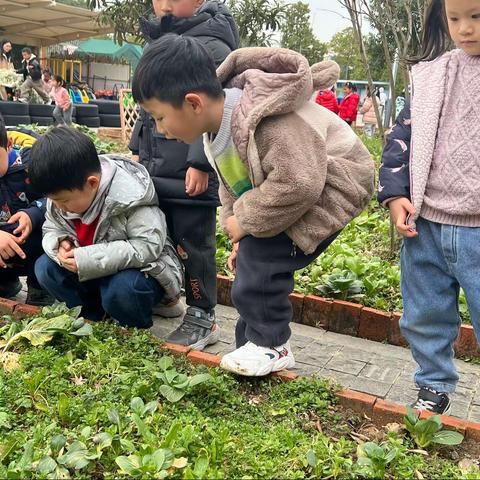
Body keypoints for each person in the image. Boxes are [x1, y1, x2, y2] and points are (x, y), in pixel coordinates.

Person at [132, 35, 375, 376]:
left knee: (263, 258)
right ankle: (252, 344)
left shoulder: (264, 120)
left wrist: (246, 221)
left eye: (159, 118)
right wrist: (239, 234)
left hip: (337, 180)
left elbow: (300, 182)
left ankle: (271, 345)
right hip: (295, 186)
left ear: (193, 103)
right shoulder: (216, 131)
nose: (160, 129)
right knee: (252, 258)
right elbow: (236, 187)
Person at [379, 0, 480, 415]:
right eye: (453, 18)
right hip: (429, 223)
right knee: (424, 314)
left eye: (476, 15)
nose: (464, 28)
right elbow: (401, 138)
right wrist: (395, 193)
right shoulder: (435, 74)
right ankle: (433, 384)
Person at [129, 0, 239, 350]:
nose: (161, 4)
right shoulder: (163, 41)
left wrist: (200, 162)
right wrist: (137, 145)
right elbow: (148, 106)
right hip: (156, 165)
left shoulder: (212, 43)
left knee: (193, 246)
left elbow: (217, 107)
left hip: (190, 171)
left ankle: (202, 313)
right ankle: (169, 297)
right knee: (161, 238)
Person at [29, 128, 183, 329]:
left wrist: (86, 258)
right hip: (92, 271)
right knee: (45, 268)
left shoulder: (131, 197)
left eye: (63, 201)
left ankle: (133, 328)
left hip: (141, 273)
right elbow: (52, 226)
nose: (58, 207)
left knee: (123, 289)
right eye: (53, 201)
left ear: (92, 183)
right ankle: (93, 316)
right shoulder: (62, 194)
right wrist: (60, 243)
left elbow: (147, 246)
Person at [0, 115, 53, 305]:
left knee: (46, 229)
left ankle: (39, 288)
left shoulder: (32, 164)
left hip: (30, 240)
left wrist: (32, 215)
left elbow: (56, 199)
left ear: (8, 144)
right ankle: (5, 281)